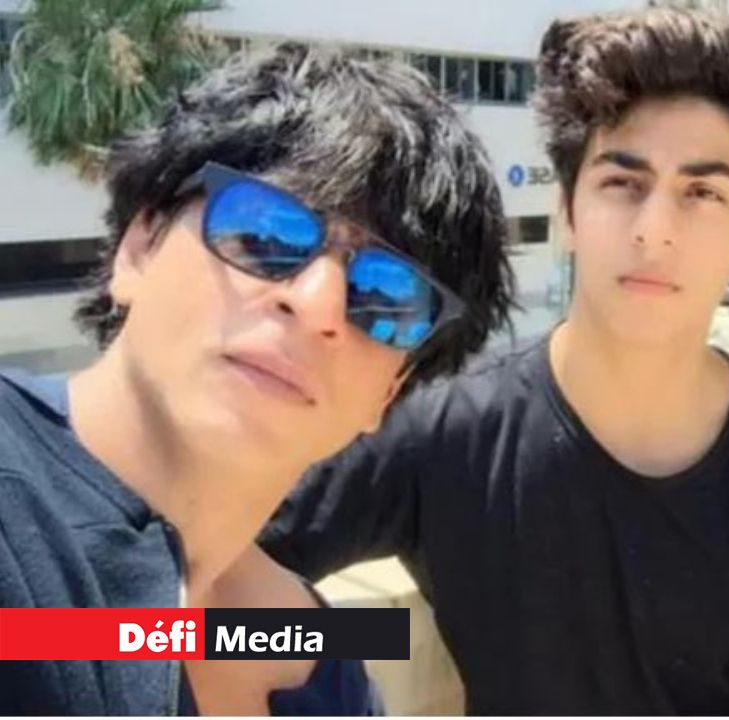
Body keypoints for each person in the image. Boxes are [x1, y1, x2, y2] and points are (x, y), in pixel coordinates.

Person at [261, 8, 729, 715]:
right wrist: (351, 649)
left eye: (703, 193)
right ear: (568, 210)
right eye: (622, 183)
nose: (654, 231)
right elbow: (161, 614)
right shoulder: (442, 426)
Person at [0, 44, 513, 715]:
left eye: (386, 296)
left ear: (388, 394)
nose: (318, 302)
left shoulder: (323, 666)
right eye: (264, 234)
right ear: (139, 246)